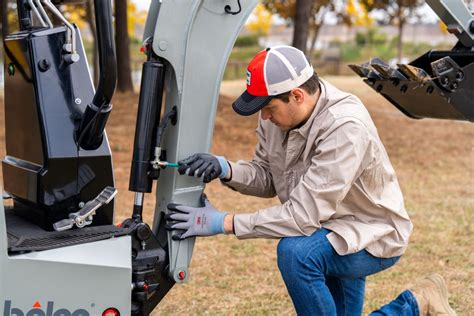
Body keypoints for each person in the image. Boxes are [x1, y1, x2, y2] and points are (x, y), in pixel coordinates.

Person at [166, 45, 456, 315]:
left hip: (369, 233)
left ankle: (413, 305)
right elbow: (268, 177)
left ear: (296, 95)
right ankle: (418, 303)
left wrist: (223, 223)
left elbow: (302, 216)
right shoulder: (279, 116)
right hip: (327, 226)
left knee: (296, 254)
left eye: (268, 107)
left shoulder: (344, 127)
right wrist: (225, 168)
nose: (264, 117)